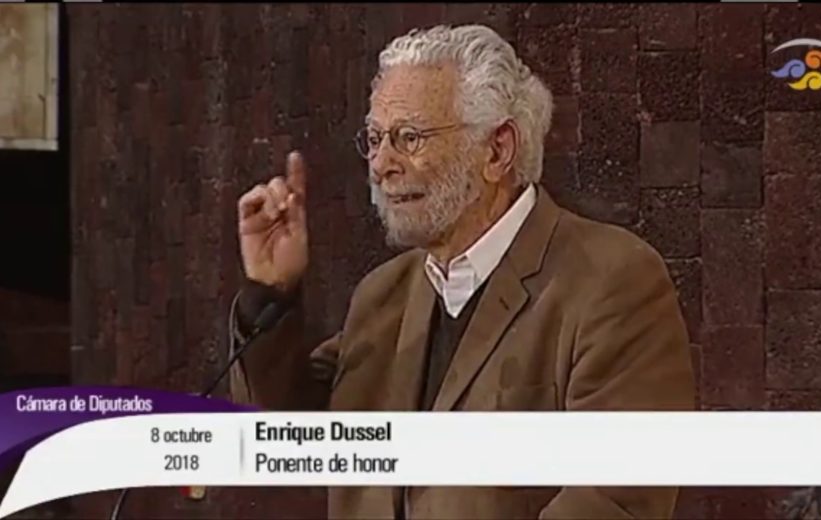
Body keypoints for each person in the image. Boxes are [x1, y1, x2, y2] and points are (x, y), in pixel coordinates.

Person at [230, 24, 696, 520]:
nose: (381, 164)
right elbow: (290, 440)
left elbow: (617, 499)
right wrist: (270, 293)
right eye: (375, 138)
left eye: (409, 138)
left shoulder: (611, 281)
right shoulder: (382, 296)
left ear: (497, 151)